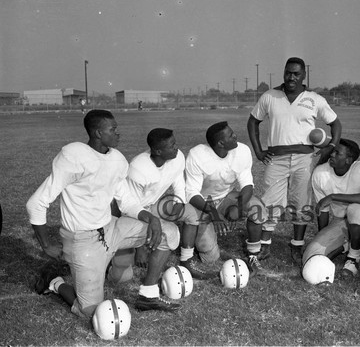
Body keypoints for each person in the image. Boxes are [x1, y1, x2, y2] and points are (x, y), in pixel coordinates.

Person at [26, 109, 181, 319]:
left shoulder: (117, 159)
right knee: (92, 313)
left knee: (169, 233)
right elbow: (36, 203)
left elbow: (126, 201)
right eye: (113, 129)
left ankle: (148, 294)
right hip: (83, 240)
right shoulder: (74, 156)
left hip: (111, 228)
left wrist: (151, 218)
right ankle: (55, 283)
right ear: (98, 133)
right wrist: (46, 245)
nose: (119, 133)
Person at [247, 57, 342, 266]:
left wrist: (331, 146)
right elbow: (253, 121)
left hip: (304, 158)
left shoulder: (314, 99)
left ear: (303, 76)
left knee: (302, 202)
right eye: (288, 72)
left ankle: (297, 244)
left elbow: (335, 124)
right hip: (276, 157)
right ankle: (265, 242)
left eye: (296, 73)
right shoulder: (270, 96)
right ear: (284, 73)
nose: (291, 77)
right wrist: (258, 151)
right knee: (272, 201)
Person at [110, 128, 218, 280]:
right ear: (158, 151)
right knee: (122, 278)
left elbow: (178, 179)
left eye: (175, 143)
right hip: (130, 213)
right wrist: (139, 248)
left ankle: (186, 259)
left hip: (153, 205)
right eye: (172, 145)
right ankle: (111, 257)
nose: (177, 147)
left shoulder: (177, 157)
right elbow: (131, 207)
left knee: (192, 213)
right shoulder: (138, 169)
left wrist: (178, 202)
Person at [183, 121, 266, 274]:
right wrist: (214, 214)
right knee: (211, 258)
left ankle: (253, 253)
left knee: (257, 208)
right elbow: (192, 193)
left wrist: (238, 206)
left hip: (227, 196)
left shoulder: (242, 150)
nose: (235, 136)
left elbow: (247, 184)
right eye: (231, 135)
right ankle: (191, 229)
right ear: (221, 143)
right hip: (202, 203)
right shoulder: (198, 155)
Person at [302, 139, 360, 276]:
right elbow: (322, 210)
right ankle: (346, 246)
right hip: (340, 221)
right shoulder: (320, 173)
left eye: (337, 153)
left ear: (348, 160)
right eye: (332, 151)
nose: (332, 155)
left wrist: (333, 197)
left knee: (355, 210)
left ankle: (353, 257)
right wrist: (323, 236)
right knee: (311, 256)